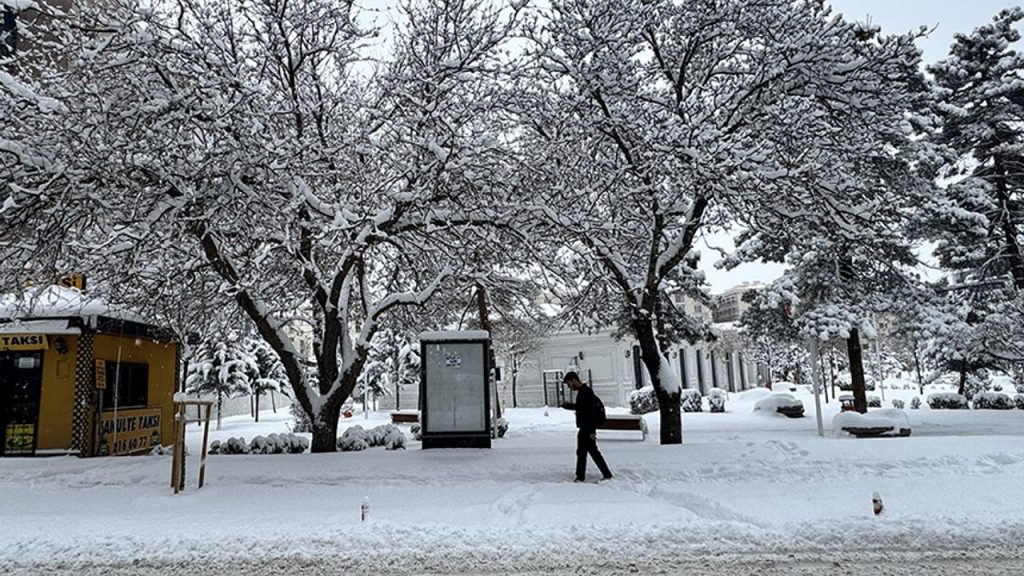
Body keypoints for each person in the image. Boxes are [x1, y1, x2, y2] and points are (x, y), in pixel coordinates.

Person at [561, 371, 613, 482]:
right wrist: (568, 406)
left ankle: (604, 474)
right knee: (583, 452)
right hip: (585, 428)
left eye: (569, 384)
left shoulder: (586, 393)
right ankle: (581, 476)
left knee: (591, 452)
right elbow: (581, 408)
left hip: (587, 429)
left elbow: (591, 413)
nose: (570, 387)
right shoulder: (584, 392)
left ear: (574, 380)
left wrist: (591, 432)